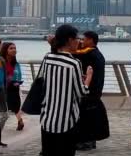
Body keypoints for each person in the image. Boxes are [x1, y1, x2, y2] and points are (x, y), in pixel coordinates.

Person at [40, 25, 93, 156]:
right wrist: (88, 78)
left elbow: (41, 81)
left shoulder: (47, 58)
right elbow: (82, 92)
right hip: (66, 121)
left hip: (47, 118)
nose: (79, 41)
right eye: (77, 38)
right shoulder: (73, 63)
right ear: (70, 40)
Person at [73, 31, 109, 151]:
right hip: (96, 90)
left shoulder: (89, 54)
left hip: (89, 90)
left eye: (84, 39)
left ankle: (86, 142)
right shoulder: (98, 54)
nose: (81, 42)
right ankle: (90, 141)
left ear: (91, 41)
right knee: (90, 116)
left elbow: (74, 55)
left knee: (85, 117)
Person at [0, 42, 24, 132]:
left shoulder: (16, 63)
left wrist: (18, 82)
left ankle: (20, 121)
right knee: (3, 110)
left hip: (14, 88)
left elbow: (19, 75)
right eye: (11, 48)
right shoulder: (1, 61)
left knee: (16, 105)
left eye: (14, 48)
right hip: (3, 89)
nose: (14, 50)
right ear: (5, 50)